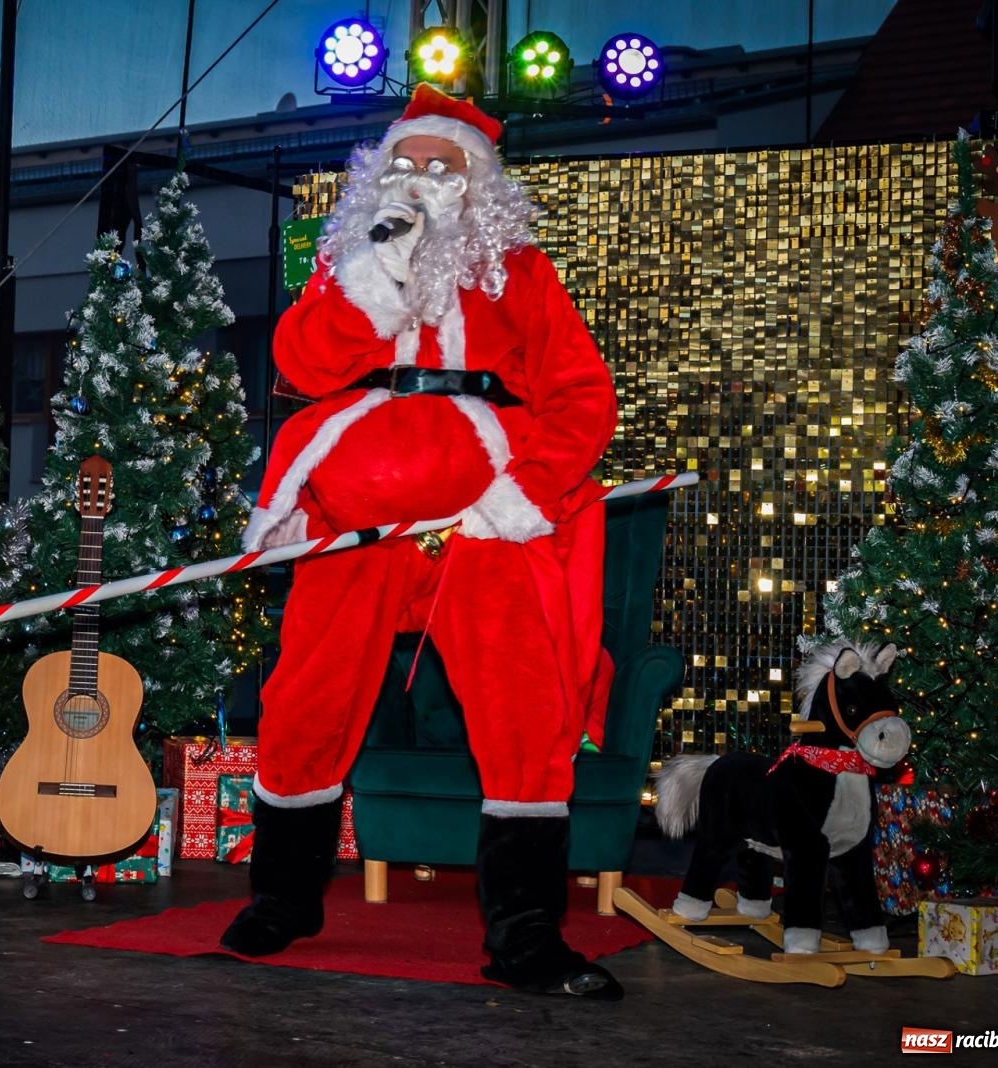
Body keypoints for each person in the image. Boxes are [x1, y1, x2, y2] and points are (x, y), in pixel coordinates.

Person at [219, 85, 622, 1000]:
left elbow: (583, 397)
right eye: (409, 163)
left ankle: (524, 930)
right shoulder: (347, 264)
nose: (426, 179)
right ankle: (284, 897)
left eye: (447, 166)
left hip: (486, 521)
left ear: (481, 185)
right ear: (379, 174)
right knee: (307, 696)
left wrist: (520, 495)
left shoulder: (520, 273)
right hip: (353, 523)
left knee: (525, 710)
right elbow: (302, 366)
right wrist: (374, 274)